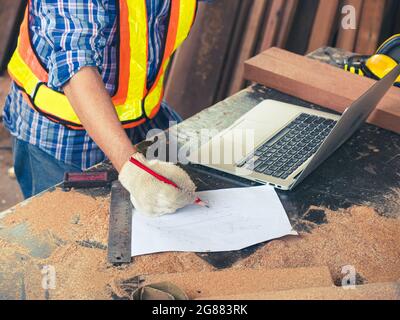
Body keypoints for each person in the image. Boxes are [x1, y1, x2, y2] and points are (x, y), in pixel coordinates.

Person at [3, 0, 208, 215]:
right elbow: (75, 64)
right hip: (62, 138)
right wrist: (133, 170)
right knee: (73, 239)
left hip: (142, 117)